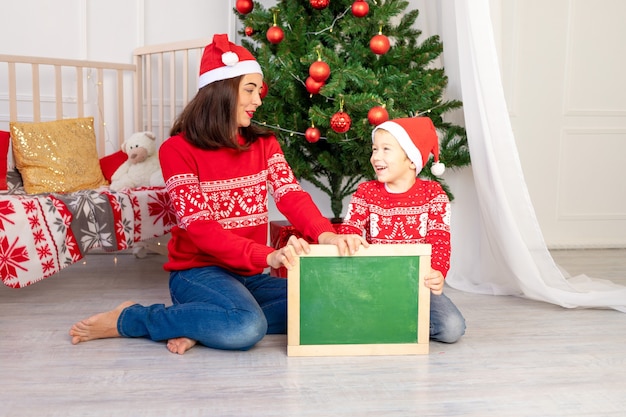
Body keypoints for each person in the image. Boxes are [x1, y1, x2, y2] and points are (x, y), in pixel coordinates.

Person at [69, 34, 366, 354]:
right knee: (247, 327)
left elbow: (290, 195)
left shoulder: (264, 144)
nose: (258, 101)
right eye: (249, 90)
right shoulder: (177, 150)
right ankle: (132, 318)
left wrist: (327, 235)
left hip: (249, 277)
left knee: (326, 301)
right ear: (220, 91)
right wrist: (269, 256)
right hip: (197, 275)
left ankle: (200, 323)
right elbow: (202, 229)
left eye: (258, 91)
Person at [337, 116, 466, 343]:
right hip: (373, 281)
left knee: (452, 327)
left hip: (417, 283)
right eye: (374, 149)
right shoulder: (366, 192)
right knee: (345, 311)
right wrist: (350, 237)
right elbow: (350, 228)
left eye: (386, 149)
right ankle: (391, 322)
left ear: (412, 160)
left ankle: (389, 323)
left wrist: (437, 272)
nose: (376, 156)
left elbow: (439, 240)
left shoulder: (433, 194)